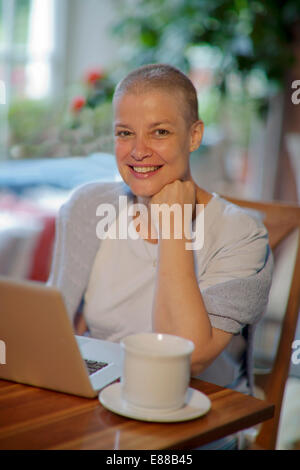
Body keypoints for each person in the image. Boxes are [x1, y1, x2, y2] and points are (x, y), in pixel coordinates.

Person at [48, 64, 272, 449]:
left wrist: (173, 227)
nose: (138, 151)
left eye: (161, 132)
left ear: (194, 135)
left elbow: (188, 356)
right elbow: (55, 330)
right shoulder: (88, 207)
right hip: (104, 407)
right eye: (124, 133)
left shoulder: (243, 235)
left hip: (200, 425)